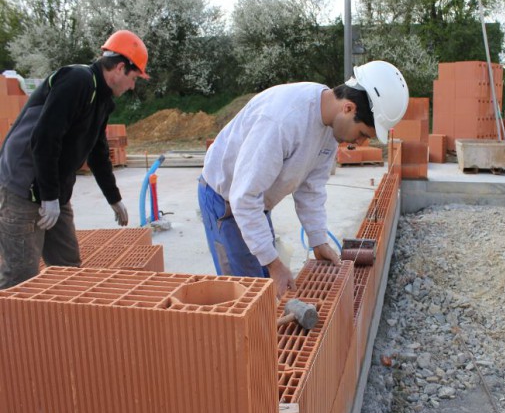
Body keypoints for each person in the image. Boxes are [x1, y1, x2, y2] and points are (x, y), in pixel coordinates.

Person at [198, 60, 409, 298]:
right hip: (224, 201)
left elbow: (311, 189)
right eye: (362, 134)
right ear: (348, 108)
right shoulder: (283, 121)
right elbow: (244, 198)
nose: (359, 143)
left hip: (255, 201)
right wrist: (275, 264)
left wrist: (318, 240)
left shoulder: (330, 127)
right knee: (247, 294)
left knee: (264, 281)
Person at [0, 30, 150, 289]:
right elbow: (44, 139)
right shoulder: (77, 81)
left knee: (68, 270)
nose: (133, 86)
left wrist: (113, 198)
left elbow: (98, 153)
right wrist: (47, 196)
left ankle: (61, 327)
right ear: (120, 68)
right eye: (134, 78)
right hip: (22, 188)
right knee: (20, 279)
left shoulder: (102, 101)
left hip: (54, 191)